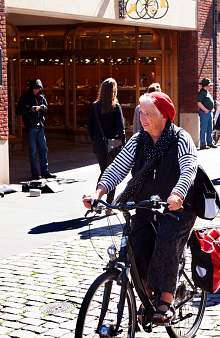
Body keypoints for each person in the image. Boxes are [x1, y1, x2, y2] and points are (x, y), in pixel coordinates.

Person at [82, 91, 198, 325]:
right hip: (146, 205)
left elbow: (189, 168)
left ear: (164, 115)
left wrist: (178, 193)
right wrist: (98, 192)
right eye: (140, 113)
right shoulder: (138, 140)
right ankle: (148, 294)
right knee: (135, 243)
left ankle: (166, 298)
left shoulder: (180, 138)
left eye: (148, 113)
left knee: (166, 242)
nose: (143, 118)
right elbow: (117, 168)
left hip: (178, 207)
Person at [87, 78, 126, 214]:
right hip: (113, 146)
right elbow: (121, 129)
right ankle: (109, 207)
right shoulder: (115, 107)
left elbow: (89, 127)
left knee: (103, 173)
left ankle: (95, 203)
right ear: (113, 91)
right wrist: (124, 144)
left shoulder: (95, 106)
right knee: (112, 175)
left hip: (99, 147)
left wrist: (96, 140)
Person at [16, 79, 56, 180]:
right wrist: (30, 109)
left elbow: (46, 107)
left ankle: (45, 171)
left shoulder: (41, 96)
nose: (36, 91)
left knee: (44, 149)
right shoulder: (25, 97)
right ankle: (34, 172)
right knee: (33, 151)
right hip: (31, 126)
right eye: (34, 89)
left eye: (38, 89)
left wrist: (42, 107)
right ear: (31, 88)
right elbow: (19, 110)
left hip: (40, 126)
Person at [197, 78, 217, 149]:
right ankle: (203, 144)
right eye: (209, 85)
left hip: (209, 112)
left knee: (210, 128)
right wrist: (205, 109)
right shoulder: (201, 93)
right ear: (206, 85)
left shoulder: (207, 92)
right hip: (204, 112)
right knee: (204, 128)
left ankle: (210, 142)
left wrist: (212, 108)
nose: (209, 86)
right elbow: (199, 103)